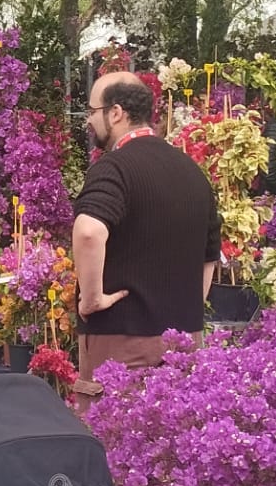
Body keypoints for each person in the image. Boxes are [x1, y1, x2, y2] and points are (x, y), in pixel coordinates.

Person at [70, 72, 220, 411]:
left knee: (112, 437)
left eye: (92, 111)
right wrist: (183, 309)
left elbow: (89, 231)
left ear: (116, 113)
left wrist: (91, 299)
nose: (89, 121)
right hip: (183, 347)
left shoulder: (115, 167)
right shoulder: (192, 172)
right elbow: (209, 255)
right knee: (177, 439)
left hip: (121, 346)